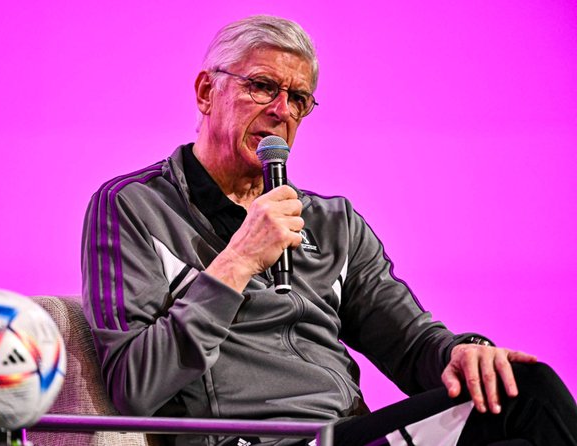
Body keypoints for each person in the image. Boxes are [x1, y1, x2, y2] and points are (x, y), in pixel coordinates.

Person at [81, 15, 577, 446]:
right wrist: (238, 260)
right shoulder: (133, 206)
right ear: (207, 92)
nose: (281, 110)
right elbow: (133, 385)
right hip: (255, 440)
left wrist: (462, 352)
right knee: (531, 399)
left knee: (516, 389)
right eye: (262, 86)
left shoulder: (333, 222)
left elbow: (411, 343)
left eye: (298, 98)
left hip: (345, 434)